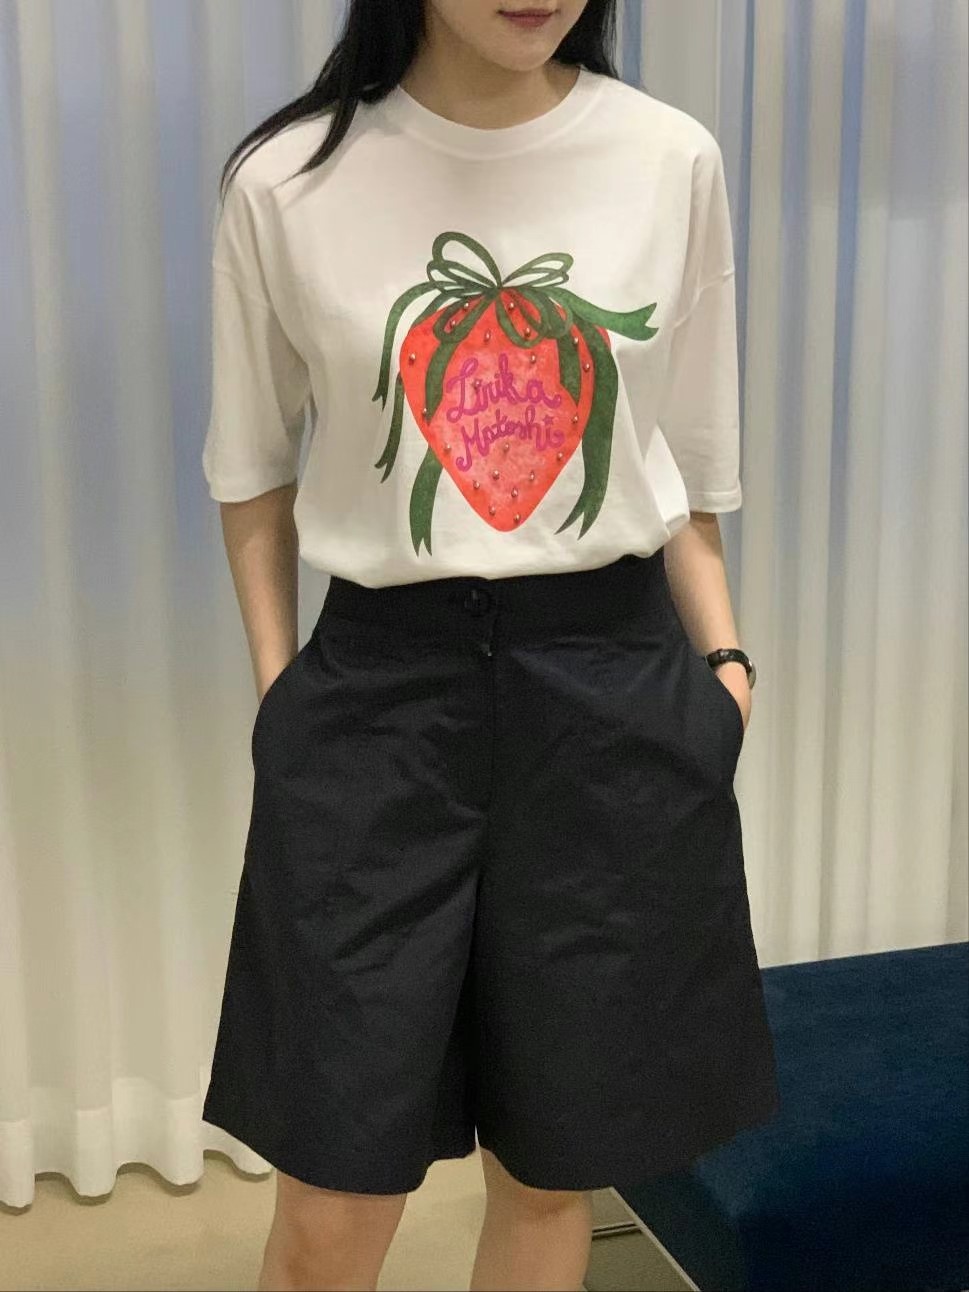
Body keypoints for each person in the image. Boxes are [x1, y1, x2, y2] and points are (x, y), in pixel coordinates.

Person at [200, 1, 781, 1288]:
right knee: (331, 1201)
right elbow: (251, 468)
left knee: (551, 1169)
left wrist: (726, 673)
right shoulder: (288, 179)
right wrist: (282, 698)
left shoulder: (666, 156)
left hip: (611, 684)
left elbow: (689, 464)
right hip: (377, 695)